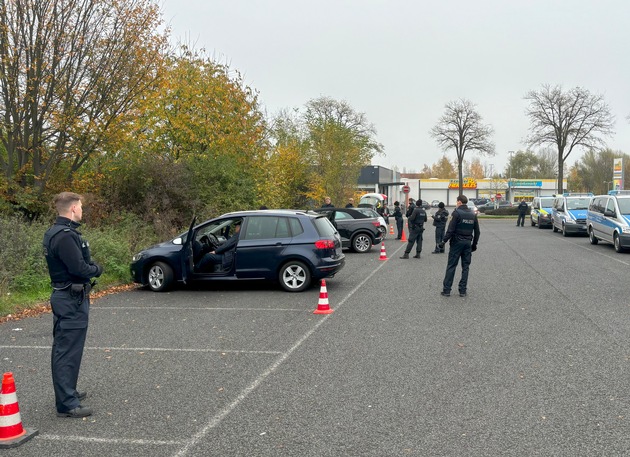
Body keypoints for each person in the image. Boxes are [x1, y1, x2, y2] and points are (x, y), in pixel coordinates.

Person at [43, 192, 103, 418]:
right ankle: (67, 404)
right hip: (70, 298)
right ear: (73, 209)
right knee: (66, 350)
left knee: (68, 347)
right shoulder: (66, 236)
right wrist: (97, 269)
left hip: (67, 296)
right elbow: (79, 268)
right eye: (80, 207)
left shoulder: (55, 232)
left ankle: (69, 392)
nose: (82, 211)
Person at [439, 194, 480, 297]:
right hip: (467, 243)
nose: (456, 203)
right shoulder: (472, 214)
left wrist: (443, 241)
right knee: (465, 267)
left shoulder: (456, 213)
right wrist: (474, 245)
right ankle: (462, 290)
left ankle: (447, 290)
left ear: (459, 202)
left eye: (457, 202)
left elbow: (450, 230)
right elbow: (477, 231)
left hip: (457, 242)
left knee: (451, 265)